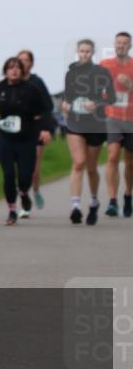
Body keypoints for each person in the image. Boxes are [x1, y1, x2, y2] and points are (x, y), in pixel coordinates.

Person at [0, 57, 53, 225]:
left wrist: (46, 129)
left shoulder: (31, 89)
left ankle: (24, 192)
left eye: (17, 67)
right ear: (6, 71)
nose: (14, 70)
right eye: (10, 68)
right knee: (9, 174)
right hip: (5, 138)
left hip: (27, 139)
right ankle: (12, 210)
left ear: (22, 71)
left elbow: (46, 109)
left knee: (25, 176)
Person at [61, 39, 115, 225]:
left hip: (95, 124)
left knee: (91, 168)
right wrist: (65, 106)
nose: (84, 54)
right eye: (81, 51)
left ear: (93, 53)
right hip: (75, 123)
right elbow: (67, 97)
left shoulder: (102, 73)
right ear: (77, 52)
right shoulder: (71, 73)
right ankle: (75, 206)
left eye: (87, 51)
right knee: (79, 163)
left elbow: (112, 97)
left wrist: (97, 103)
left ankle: (93, 201)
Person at [16, 50, 57, 214]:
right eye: (20, 60)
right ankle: (23, 200)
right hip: (17, 129)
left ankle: (36, 190)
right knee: (18, 168)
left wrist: (45, 128)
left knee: (33, 168)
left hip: (36, 127)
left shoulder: (37, 82)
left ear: (31, 64)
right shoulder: (11, 81)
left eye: (26, 60)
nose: (23, 63)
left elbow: (48, 106)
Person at [101, 31, 133, 218]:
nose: (120, 45)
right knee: (112, 156)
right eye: (118, 42)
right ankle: (112, 201)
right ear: (114, 45)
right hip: (112, 117)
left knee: (130, 163)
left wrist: (130, 85)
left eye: (124, 43)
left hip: (131, 118)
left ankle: (128, 195)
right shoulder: (105, 65)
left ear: (129, 46)